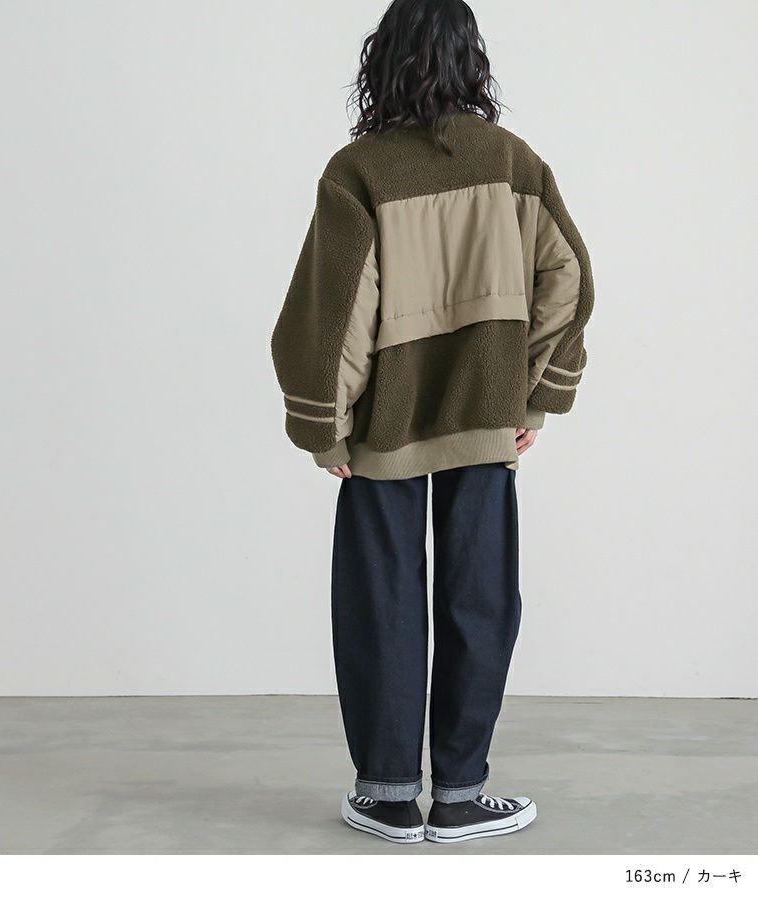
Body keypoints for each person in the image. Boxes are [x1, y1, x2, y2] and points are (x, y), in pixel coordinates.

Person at [271, 0, 593, 845]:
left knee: (381, 600)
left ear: (382, 62)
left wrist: (325, 426)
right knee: (477, 600)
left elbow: (336, 312)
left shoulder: (359, 171)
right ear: (470, 60)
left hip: (386, 429)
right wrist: (534, 396)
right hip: (486, 422)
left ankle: (385, 796)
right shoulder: (513, 162)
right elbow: (569, 278)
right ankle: (459, 796)